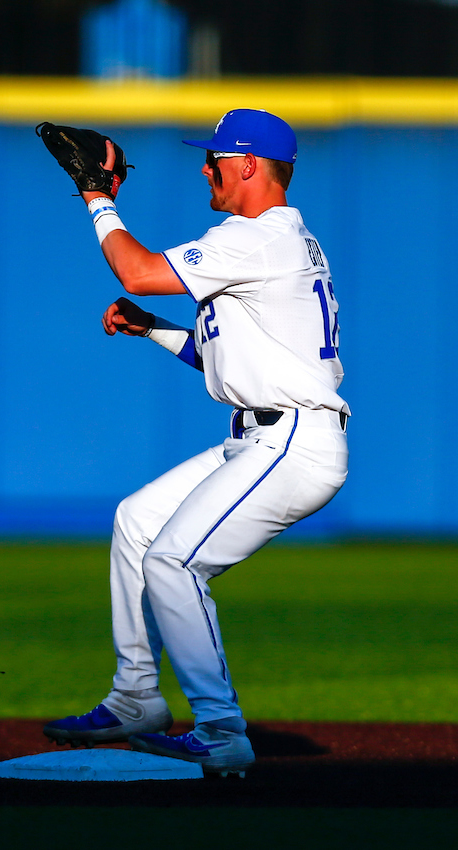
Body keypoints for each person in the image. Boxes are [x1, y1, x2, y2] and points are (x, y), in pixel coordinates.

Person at [40, 109, 350, 776]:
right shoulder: (270, 243)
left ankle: (220, 730)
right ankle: (136, 699)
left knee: (175, 563)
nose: (204, 167)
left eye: (214, 158)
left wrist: (98, 198)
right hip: (266, 434)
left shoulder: (260, 237)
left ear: (246, 165)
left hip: (292, 440)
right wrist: (153, 328)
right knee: (137, 524)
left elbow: (138, 270)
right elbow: (221, 365)